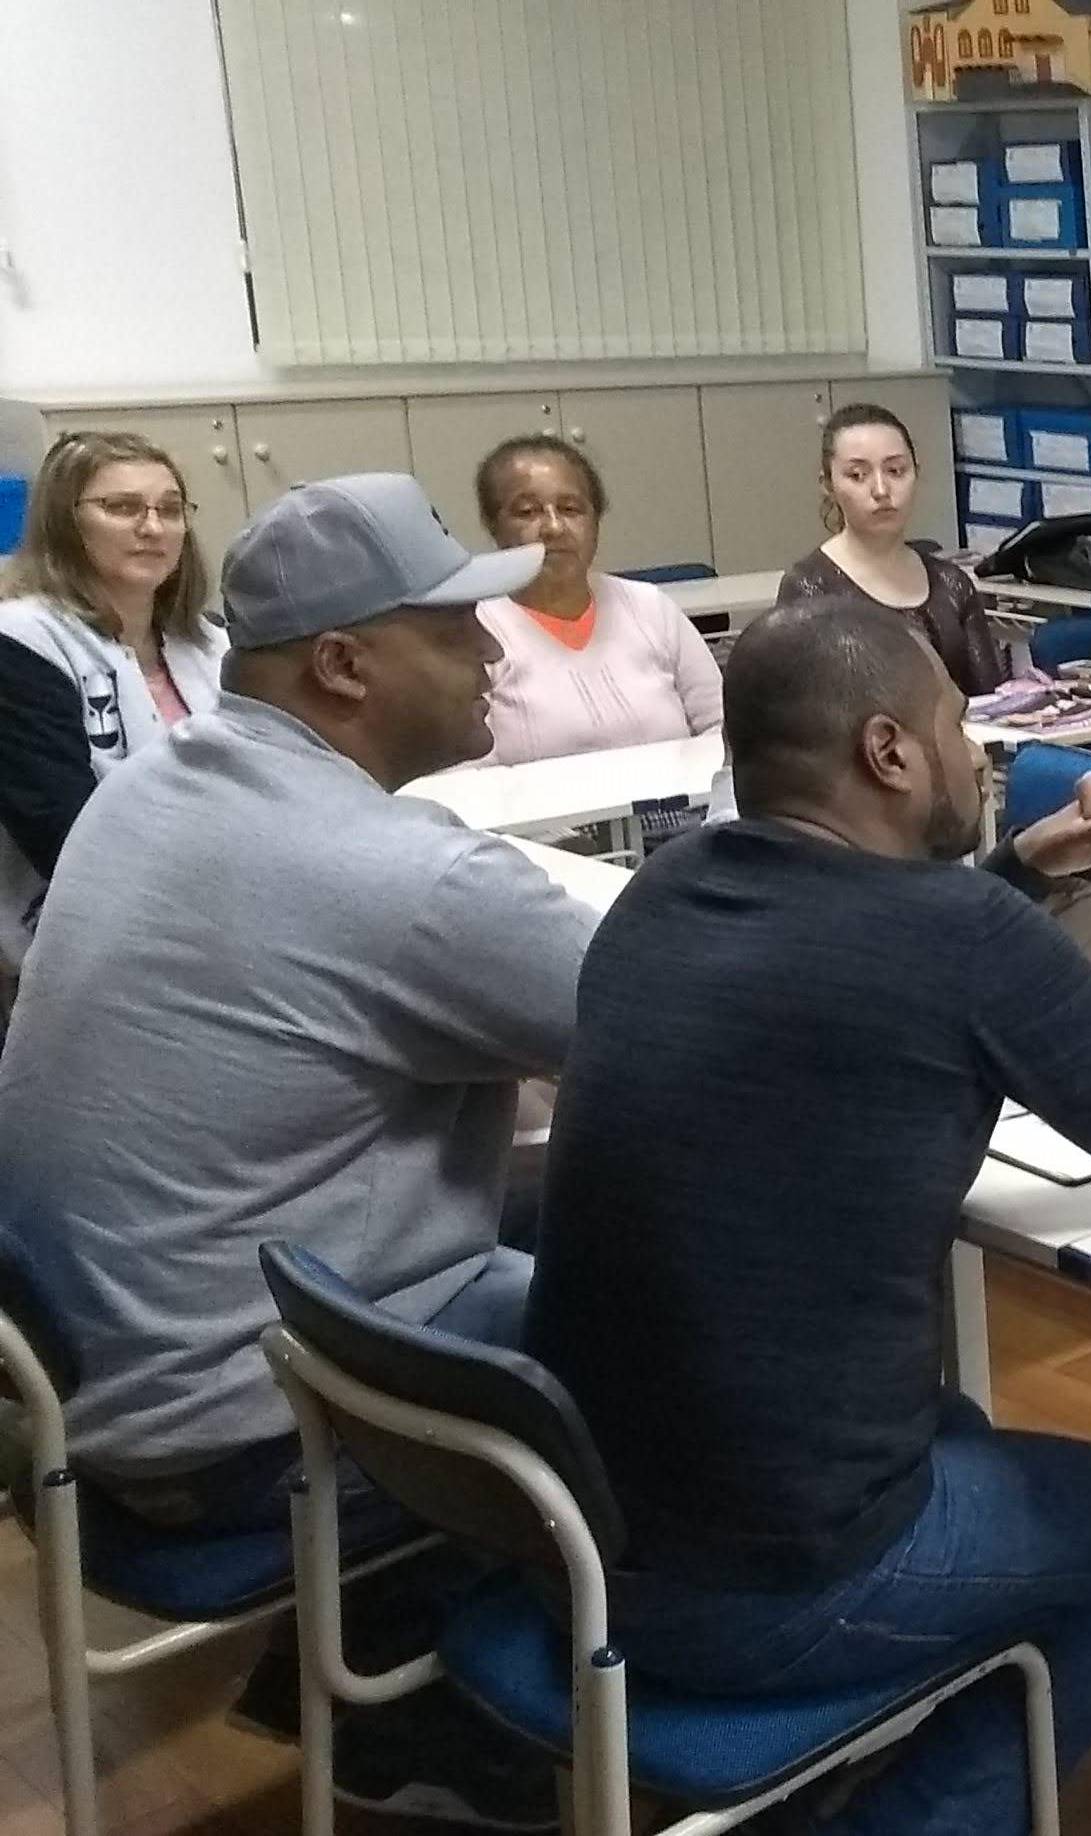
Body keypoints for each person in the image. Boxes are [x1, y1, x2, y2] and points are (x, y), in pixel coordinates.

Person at [525, 599, 1091, 1834]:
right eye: (957, 724)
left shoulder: (665, 889)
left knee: (956, 1421)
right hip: (764, 1589)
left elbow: (865, 951)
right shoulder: (955, 937)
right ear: (888, 753)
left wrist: (1017, 869)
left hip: (579, 1533)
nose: (977, 753)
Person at [0, 472, 592, 1826]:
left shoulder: (150, 794)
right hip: (235, 1446)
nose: (496, 651)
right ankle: (543, 1720)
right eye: (455, 629)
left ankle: (394, 1680)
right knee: (692, 1313)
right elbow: (687, 1036)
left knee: (560, 1197)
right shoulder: (404, 876)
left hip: (87, 1414)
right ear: (343, 664)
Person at [0, 432, 227, 982]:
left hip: (224, 903)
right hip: (90, 936)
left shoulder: (211, 638)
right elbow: (65, 831)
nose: (152, 528)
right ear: (65, 522)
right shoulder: (21, 641)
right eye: (122, 508)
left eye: (170, 510)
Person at [468, 434, 722, 765]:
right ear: (494, 526)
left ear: (596, 520)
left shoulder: (650, 607)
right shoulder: (474, 632)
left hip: (681, 812)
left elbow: (724, 727)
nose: (554, 527)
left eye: (571, 509)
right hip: (544, 817)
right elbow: (468, 778)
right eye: (528, 512)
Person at [776, 403, 1008, 696]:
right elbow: (799, 713)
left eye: (896, 471)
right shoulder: (809, 588)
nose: (881, 490)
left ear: (916, 473)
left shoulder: (952, 583)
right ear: (828, 485)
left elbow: (993, 702)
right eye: (857, 475)